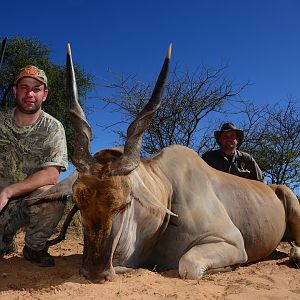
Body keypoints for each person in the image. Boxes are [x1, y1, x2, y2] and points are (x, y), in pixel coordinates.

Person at [0, 65, 68, 267]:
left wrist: (8, 192)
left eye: (36, 89)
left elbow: (51, 175)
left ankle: (34, 247)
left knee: (54, 194)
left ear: (44, 94)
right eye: (24, 87)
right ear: (15, 91)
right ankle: (5, 241)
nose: (30, 93)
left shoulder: (53, 127)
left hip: (26, 200)